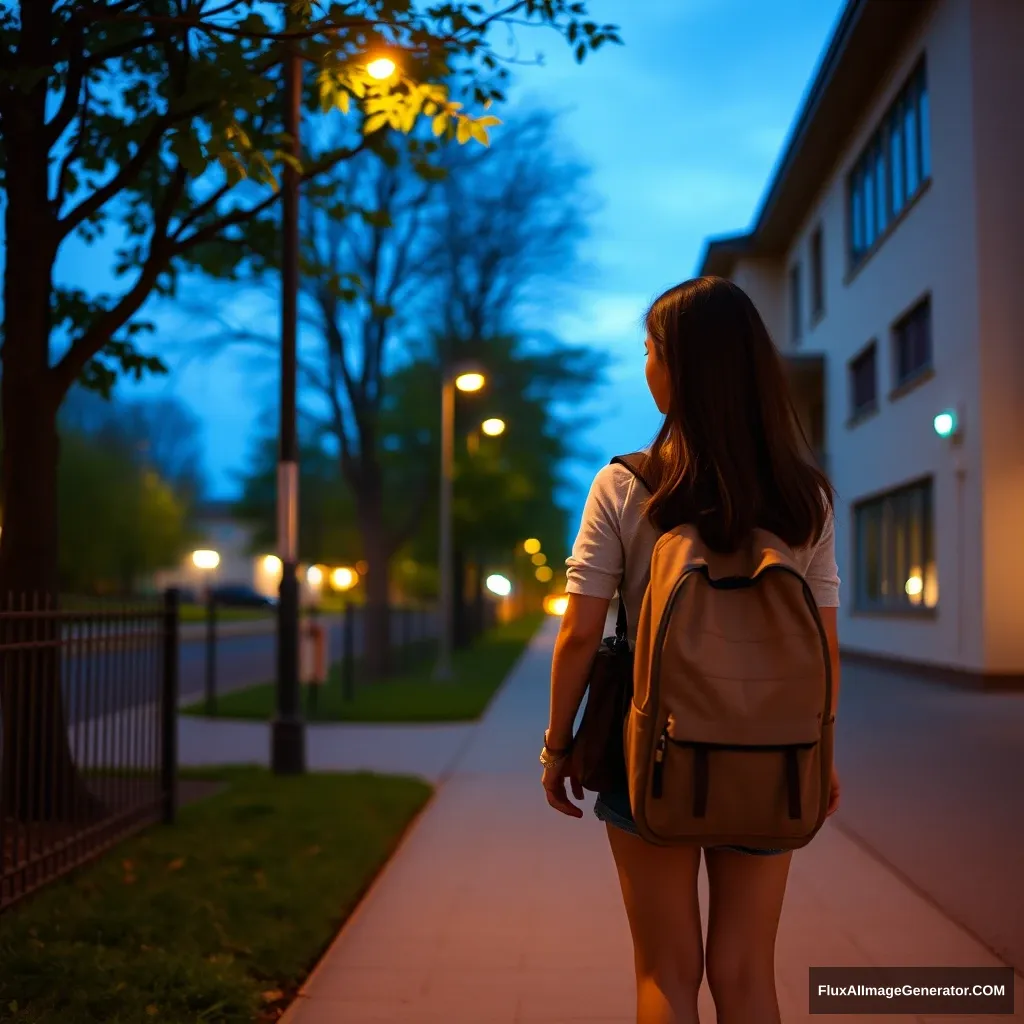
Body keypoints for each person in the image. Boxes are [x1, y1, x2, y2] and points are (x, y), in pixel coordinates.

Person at [540, 276, 842, 1024]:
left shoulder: (627, 484)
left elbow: (580, 631)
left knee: (666, 974)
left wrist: (557, 745)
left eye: (650, 352)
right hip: (772, 755)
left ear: (680, 367)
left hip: (651, 751)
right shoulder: (806, 497)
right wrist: (821, 759)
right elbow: (825, 650)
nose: (646, 368)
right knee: (746, 974)